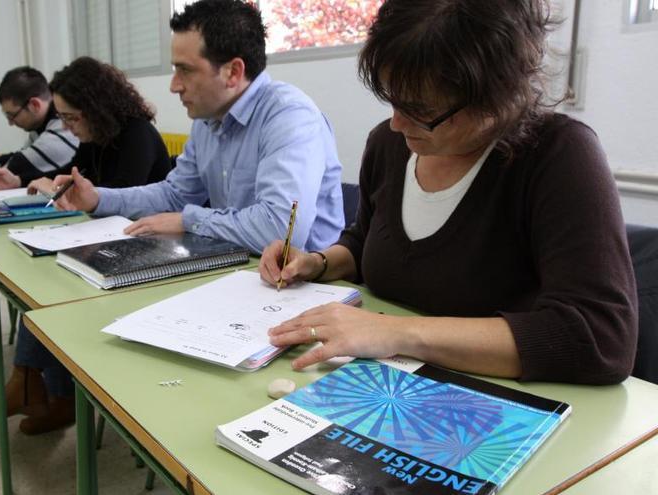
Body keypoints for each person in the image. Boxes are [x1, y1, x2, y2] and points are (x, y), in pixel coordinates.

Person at [259, 0, 637, 385]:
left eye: (420, 109)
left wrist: (394, 333)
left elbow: (600, 338)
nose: (397, 122)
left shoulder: (558, 155)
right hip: (383, 381)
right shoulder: (388, 146)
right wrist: (317, 263)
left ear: (497, 94)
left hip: (494, 404)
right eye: (392, 99)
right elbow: (363, 242)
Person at [0, 57, 171, 435]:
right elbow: (77, 184)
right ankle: (40, 387)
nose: (66, 126)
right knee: (45, 279)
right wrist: (49, 185)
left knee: (56, 287)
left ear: (96, 108)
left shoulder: (137, 135)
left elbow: (120, 204)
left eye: (72, 117)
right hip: (113, 242)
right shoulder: (94, 137)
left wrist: (76, 197)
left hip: (151, 248)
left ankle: (42, 389)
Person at [52, 0, 344, 254]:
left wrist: (188, 219)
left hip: (306, 288)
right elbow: (174, 195)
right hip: (238, 272)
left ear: (233, 72)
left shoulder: (289, 116)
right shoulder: (209, 120)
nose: (173, 86)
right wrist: (98, 198)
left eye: (185, 70)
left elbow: (282, 231)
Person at [0, 66, 79, 192]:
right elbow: (18, 157)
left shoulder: (60, 125)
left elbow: (15, 166)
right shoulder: (41, 125)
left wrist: (10, 177)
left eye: (12, 115)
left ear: (34, 105)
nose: (10, 123)